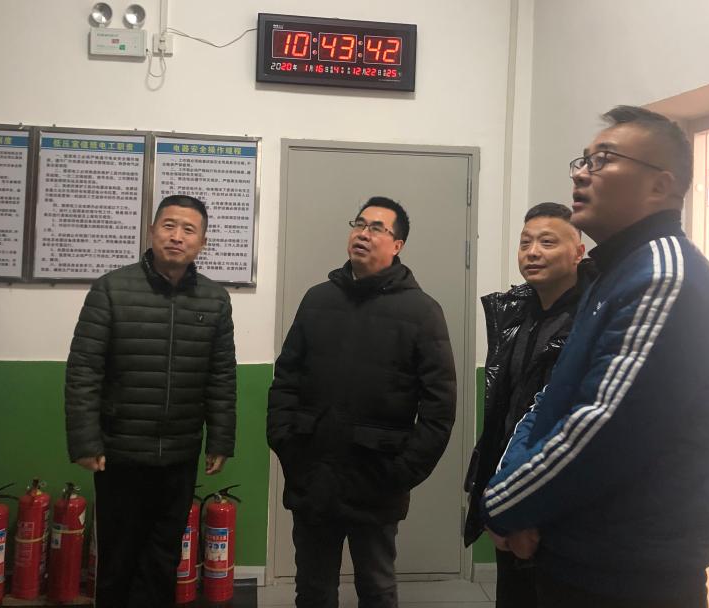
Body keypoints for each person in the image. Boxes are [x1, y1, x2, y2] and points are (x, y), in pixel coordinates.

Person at [481, 106, 709, 608]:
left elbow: (600, 428)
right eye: (583, 160)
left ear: (660, 186)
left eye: (603, 160)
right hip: (580, 557)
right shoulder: (616, 275)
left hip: (630, 574)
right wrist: (510, 496)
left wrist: (504, 504)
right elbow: (549, 402)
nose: (581, 173)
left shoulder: (661, 276)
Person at [267, 196, 457, 608]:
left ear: (397, 245)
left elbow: (439, 408)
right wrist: (287, 444)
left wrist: (402, 472)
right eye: (359, 224)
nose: (363, 233)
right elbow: (286, 378)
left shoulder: (422, 312)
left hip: (378, 479)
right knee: (313, 589)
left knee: (376, 588)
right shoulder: (317, 299)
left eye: (376, 228)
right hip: (313, 473)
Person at [65, 194, 236, 608]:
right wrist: (85, 442)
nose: (177, 236)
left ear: (202, 242)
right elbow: (84, 370)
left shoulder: (215, 300)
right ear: (152, 231)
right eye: (169, 225)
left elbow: (221, 376)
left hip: (180, 453)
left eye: (189, 230)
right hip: (120, 453)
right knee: (118, 559)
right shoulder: (111, 289)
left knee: (163, 559)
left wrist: (220, 440)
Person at [463, 202, 592, 608]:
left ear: (578, 252)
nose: (533, 252)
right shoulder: (515, 313)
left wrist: (530, 511)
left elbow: (575, 429)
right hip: (511, 489)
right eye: (525, 243)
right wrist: (492, 493)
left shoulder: (592, 319)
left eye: (547, 242)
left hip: (558, 509)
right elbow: (504, 412)